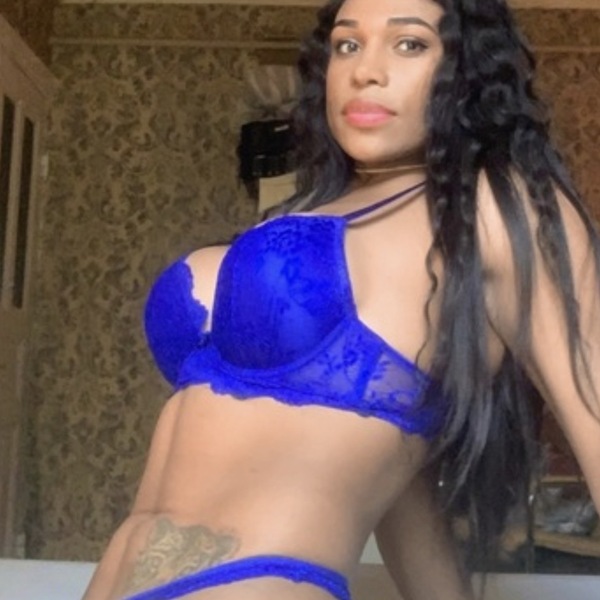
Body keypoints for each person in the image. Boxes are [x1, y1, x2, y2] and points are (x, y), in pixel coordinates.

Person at [82, 0, 600, 598]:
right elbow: (389, 476)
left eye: (409, 44)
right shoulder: (309, 212)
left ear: (468, 71)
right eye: (347, 45)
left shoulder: (497, 209)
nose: (365, 71)